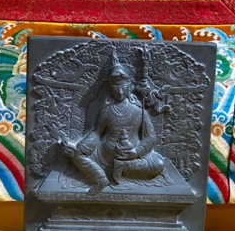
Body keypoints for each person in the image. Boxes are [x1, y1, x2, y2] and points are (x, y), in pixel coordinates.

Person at [63, 52, 165, 194]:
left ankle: (122, 167)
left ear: (130, 86)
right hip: (104, 154)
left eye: (123, 87)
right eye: (115, 88)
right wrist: (80, 148)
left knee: (159, 164)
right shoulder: (107, 110)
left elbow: (150, 137)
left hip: (130, 155)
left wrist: (136, 152)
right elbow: (96, 134)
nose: (120, 91)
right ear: (109, 89)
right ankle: (100, 178)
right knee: (75, 155)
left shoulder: (138, 110)